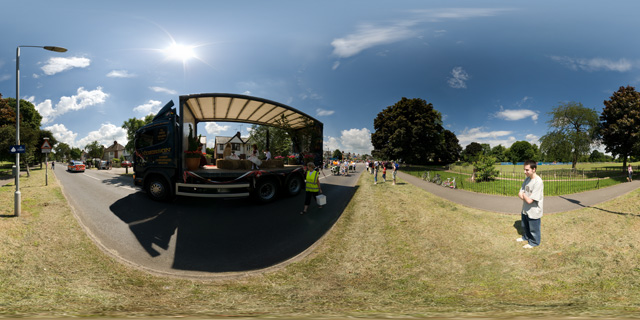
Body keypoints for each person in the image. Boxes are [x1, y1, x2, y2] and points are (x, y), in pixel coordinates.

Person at [517, 160, 544, 249]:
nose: (525, 172)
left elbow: (529, 200)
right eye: (524, 169)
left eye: (527, 170)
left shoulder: (538, 182)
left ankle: (534, 242)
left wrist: (524, 195)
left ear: (534, 169)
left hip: (534, 211)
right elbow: (519, 193)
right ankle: (526, 237)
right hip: (525, 209)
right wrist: (525, 196)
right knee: (525, 226)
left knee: (534, 229)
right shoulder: (527, 179)